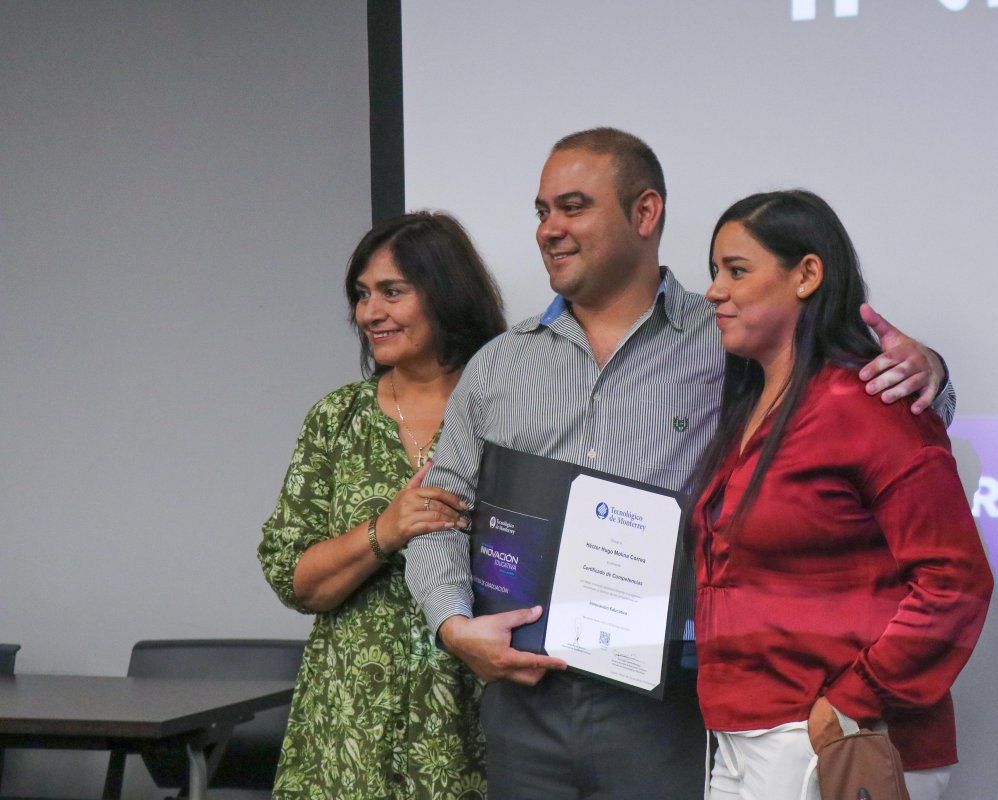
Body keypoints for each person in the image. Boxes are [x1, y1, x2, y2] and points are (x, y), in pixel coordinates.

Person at [404, 128, 956, 800]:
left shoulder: (731, 336)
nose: (551, 228)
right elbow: (439, 511)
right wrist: (453, 625)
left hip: (671, 702)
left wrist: (929, 367)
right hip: (525, 699)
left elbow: (876, 396)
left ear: (645, 213)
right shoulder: (498, 365)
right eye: (542, 211)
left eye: (573, 206)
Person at [691, 190, 993, 800]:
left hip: (839, 738)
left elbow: (955, 582)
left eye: (737, 270)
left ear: (807, 274)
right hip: (743, 734)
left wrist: (849, 706)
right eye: (714, 272)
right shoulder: (746, 409)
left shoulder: (869, 403)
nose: (715, 290)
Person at [258, 212, 506, 800]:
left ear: (446, 293)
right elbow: (295, 580)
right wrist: (385, 530)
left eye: (392, 292)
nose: (370, 313)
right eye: (362, 296)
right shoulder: (337, 418)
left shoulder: (509, 409)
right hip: (348, 726)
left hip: (474, 717)